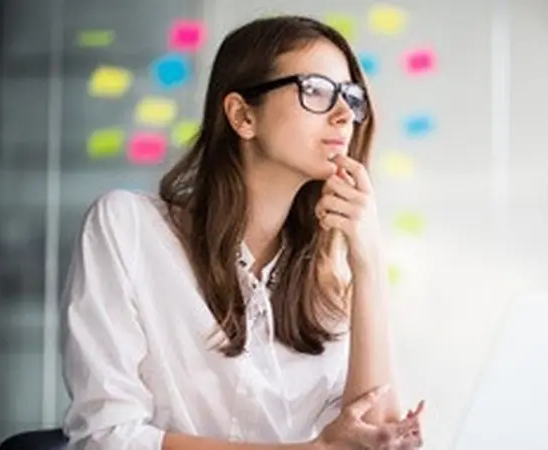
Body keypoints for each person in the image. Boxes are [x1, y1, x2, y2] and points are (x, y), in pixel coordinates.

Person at [60, 15, 425, 450]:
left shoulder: (330, 278)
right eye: (315, 91)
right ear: (242, 116)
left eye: (351, 96)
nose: (345, 114)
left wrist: (367, 259)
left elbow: (377, 440)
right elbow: (106, 437)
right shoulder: (128, 229)